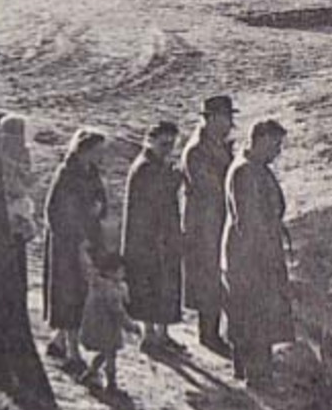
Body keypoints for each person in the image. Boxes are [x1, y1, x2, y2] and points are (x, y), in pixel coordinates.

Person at [221, 119, 294, 391]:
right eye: (276, 144)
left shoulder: (253, 167)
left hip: (250, 253)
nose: (278, 151)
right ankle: (259, 378)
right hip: (251, 256)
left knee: (247, 313)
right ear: (260, 139)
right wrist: (267, 260)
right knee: (256, 313)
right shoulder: (245, 172)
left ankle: (244, 368)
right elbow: (250, 222)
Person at [43, 127, 108, 371]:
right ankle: (72, 353)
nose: (101, 157)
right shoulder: (67, 174)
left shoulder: (91, 173)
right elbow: (56, 212)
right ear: (84, 151)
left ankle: (59, 342)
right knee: (69, 294)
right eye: (98, 151)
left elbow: (100, 202)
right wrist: (77, 236)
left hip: (87, 241)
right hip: (67, 246)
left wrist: (98, 209)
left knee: (78, 295)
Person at [180, 95, 236, 356]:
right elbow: (211, 188)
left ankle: (214, 330)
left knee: (215, 274)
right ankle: (208, 334)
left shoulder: (218, 144)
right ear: (211, 119)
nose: (230, 123)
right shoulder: (197, 150)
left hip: (216, 219)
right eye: (226, 118)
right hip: (203, 223)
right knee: (207, 275)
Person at [122, 120, 183, 353]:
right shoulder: (146, 167)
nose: (168, 148)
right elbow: (156, 199)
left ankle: (163, 334)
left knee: (164, 283)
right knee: (149, 284)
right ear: (151, 141)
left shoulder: (157, 164)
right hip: (147, 238)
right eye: (164, 143)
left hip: (161, 236)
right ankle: (149, 336)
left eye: (172, 144)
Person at [79, 251, 136, 394]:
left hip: (96, 326)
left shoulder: (99, 285)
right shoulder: (110, 290)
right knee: (110, 355)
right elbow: (118, 311)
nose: (124, 274)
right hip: (107, 328)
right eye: (121, 271)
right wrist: (131, 326)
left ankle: (91, 371)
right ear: (111, 272)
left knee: (104, 353)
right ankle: (111, 383)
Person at [0, 113, 36, 297]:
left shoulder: (21, 155)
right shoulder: (2, 158)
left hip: (19, 214)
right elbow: (12, 185)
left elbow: (27, 181)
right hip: (8, 215)